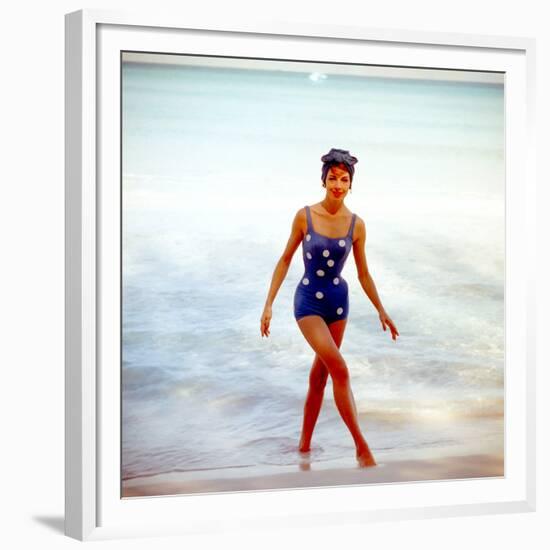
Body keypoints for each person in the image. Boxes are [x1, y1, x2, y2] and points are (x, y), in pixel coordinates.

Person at [260, 148, 399, 468]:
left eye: (344, 179)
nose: (338, 184)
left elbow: (363, 273)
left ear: (352, 184)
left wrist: (381, 309)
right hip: (307, 301)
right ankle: (362, 448)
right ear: (323, 180)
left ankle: (304, 447)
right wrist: (268, 304)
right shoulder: (304, 215)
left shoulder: (357, 225)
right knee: (340, 368)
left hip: (339, 303)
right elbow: (284, 260)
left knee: (320, 375)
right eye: (332, 178)